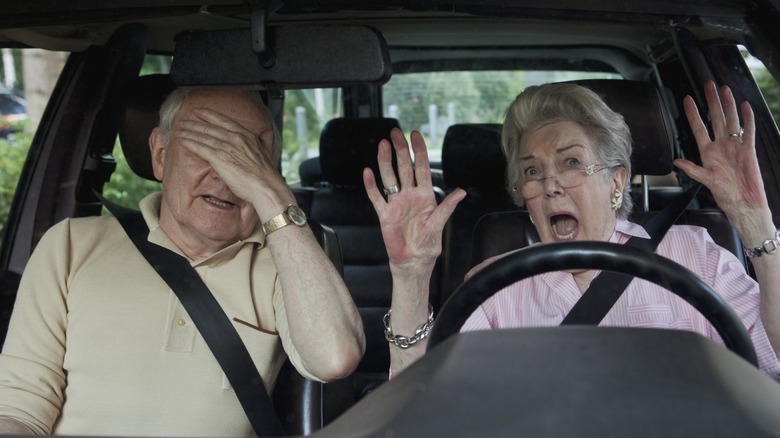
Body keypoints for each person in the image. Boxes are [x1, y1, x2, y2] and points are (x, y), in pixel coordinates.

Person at [0, 88, 365, 435]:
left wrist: (272, 195)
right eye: (206, 149)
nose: (225, 176)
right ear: (160, 154)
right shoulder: (70, 244)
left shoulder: (285, 263)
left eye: (247, 160)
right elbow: (18, 410)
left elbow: (334, 358)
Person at [363, 80, 780, 378]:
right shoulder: (493, 284)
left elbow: (772, 363)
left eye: (572, 162)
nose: (550, 185)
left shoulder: (696, 255)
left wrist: (753, 221)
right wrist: (411, 276)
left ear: (616, 181)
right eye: (532, 171)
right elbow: (423, 404)